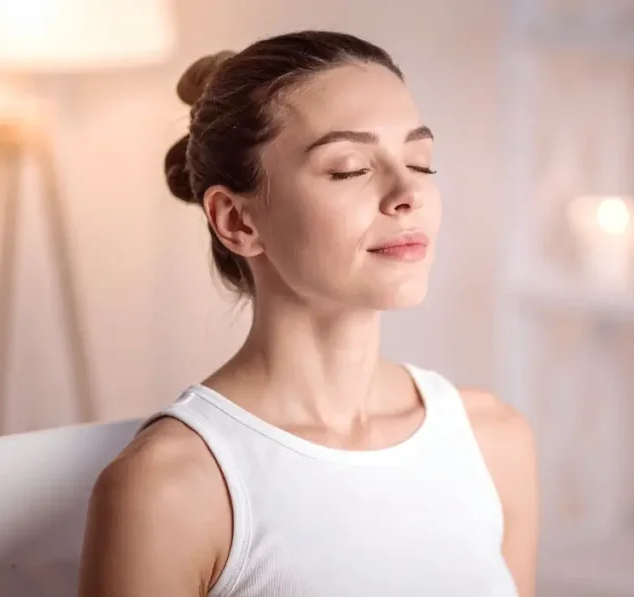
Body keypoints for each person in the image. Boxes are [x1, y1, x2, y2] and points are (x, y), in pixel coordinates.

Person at [77, 30, 539, 597]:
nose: (408, 193)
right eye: (349, 169)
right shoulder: (172, 487)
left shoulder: (492, 440)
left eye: (420, 163)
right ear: (237, 221)